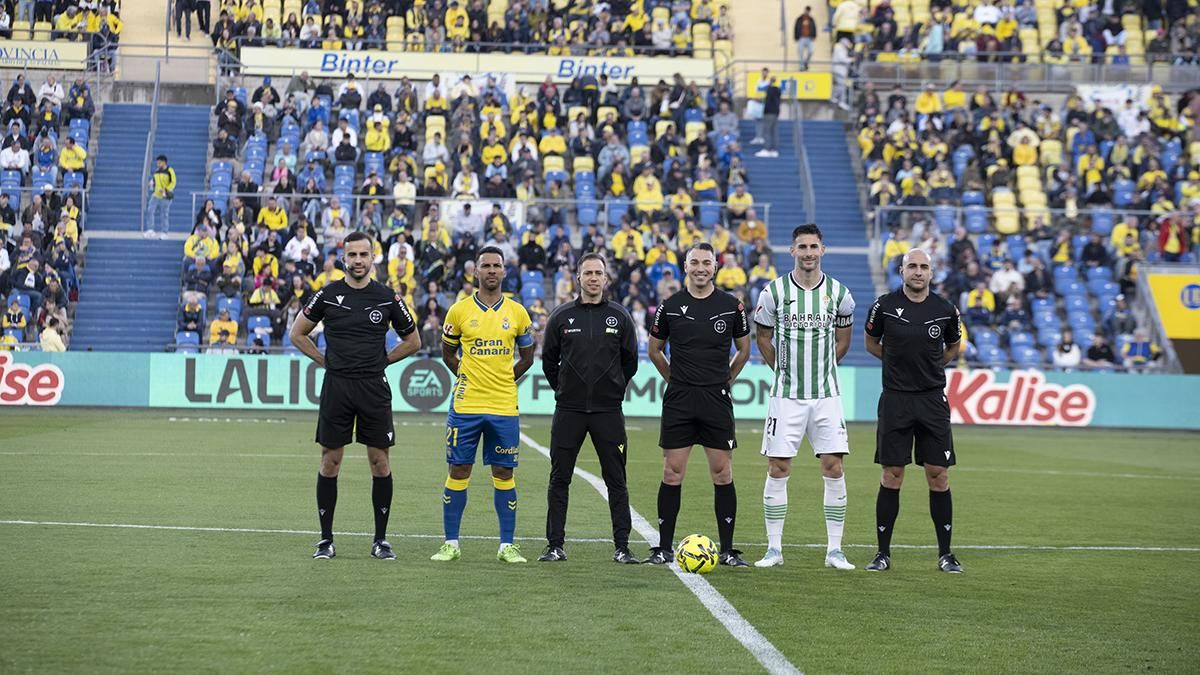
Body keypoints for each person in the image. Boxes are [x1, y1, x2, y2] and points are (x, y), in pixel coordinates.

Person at [289, 231, 422, 561]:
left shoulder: (387, 298)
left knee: (379, 462)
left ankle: (380, 540)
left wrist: (383, 360)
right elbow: (298, 333)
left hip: (373, 388)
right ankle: (325, 541)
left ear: (373, 258)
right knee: (330, 462)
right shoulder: (328, 295)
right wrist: (324, 361)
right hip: (337, 387)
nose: (358, 261)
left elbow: (413, 341)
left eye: (364, 255)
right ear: (344, 258)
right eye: (353, 255)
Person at [751, 225, 856, 570]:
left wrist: (823, 366)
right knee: (778, 467)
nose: (808, 252)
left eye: (813, 246)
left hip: (826, 396)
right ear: (792, 251)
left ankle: (835, 550)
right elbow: (762, 336)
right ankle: (774, 549)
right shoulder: (774, 292)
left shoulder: (840, 294)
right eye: (802, 247)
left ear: (822, 250)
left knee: (833, 466)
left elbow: (843, 340)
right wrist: (780, 369)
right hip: (786, 396)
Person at [645, 242, 752, 566]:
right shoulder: (671, 305)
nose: (701, 268)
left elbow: (744, 350)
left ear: (715, 267)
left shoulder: (731, 306)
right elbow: (654, 349)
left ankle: (728, 550)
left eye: (707, 262)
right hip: (680, 398)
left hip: (715, 399)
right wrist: (674, 380)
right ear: (686, 266)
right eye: (695, 262)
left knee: (722, 473)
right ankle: (663, 548)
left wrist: (726, 380)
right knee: (672, 471)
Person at [863, 248, 964, 573]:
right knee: (892, 475)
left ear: (931, 273)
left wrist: (931, 367)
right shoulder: (884, 306)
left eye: (923, 267)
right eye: (912, 267)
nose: (918, 272)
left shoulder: (945, 309)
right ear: (902, 270)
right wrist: (896, 364)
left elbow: (952, 347)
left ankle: (946, 554)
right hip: (895, 399)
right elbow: (870, 342)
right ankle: (882, 554)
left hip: (932, 400)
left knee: (939, 474)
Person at [434, 245, 536, 564]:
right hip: (466, 405)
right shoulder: (459, 311)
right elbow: (447, 353)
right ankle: (451, 543)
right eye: (485, 265)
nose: (491, 270)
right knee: (459, 468)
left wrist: (505, 379)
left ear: (504, 271)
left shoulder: (518, 312)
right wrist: (466, 375)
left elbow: (528, 357)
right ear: (475, 271)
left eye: (497, 265)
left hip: (504, 406)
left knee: (504, 472)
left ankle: (507, 545)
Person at [538, 253, 641, 564]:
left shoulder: (620, 317)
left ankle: (622, 547)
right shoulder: (561, 317)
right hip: (568, 410)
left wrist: (612, 392)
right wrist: (566, 391)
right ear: (578, 278)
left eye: (599, 273)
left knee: (616, 479)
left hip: (608, 413)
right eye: (588, 273)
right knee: (559, 478)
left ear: (606, 279)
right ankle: (555, 545)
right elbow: (548, 363)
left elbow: (630, 363)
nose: (594, 278)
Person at [146, 155, 176, 240]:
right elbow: (155, 181)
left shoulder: (170, 170)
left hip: (165, 195)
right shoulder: (156, 171)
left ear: (164, 162)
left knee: (164, 214)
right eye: (157, 162)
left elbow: (173, 182)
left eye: (159, 162)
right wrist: (152, 183)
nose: (158, 164)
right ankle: (150, 230)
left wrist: (166, 190)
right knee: (150, 210)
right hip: (156, 194)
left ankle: (164, 232)